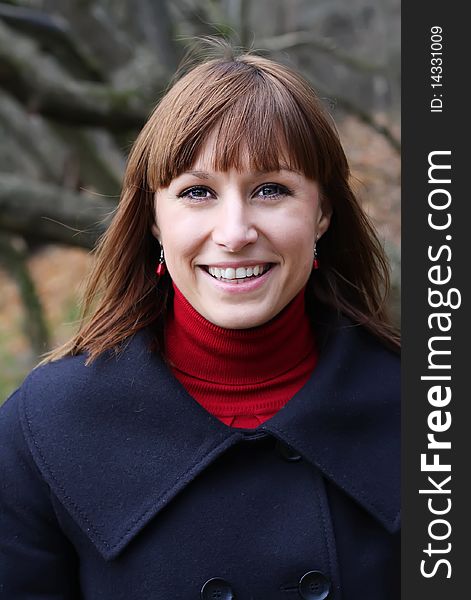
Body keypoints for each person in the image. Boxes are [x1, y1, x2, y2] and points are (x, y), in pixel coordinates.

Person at [0, 41, 400, 599]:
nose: (234, 233)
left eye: (270, 190)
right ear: (156, 222)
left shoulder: (425, 411)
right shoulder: (41, 430)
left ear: (323, 214)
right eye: (197, 192)